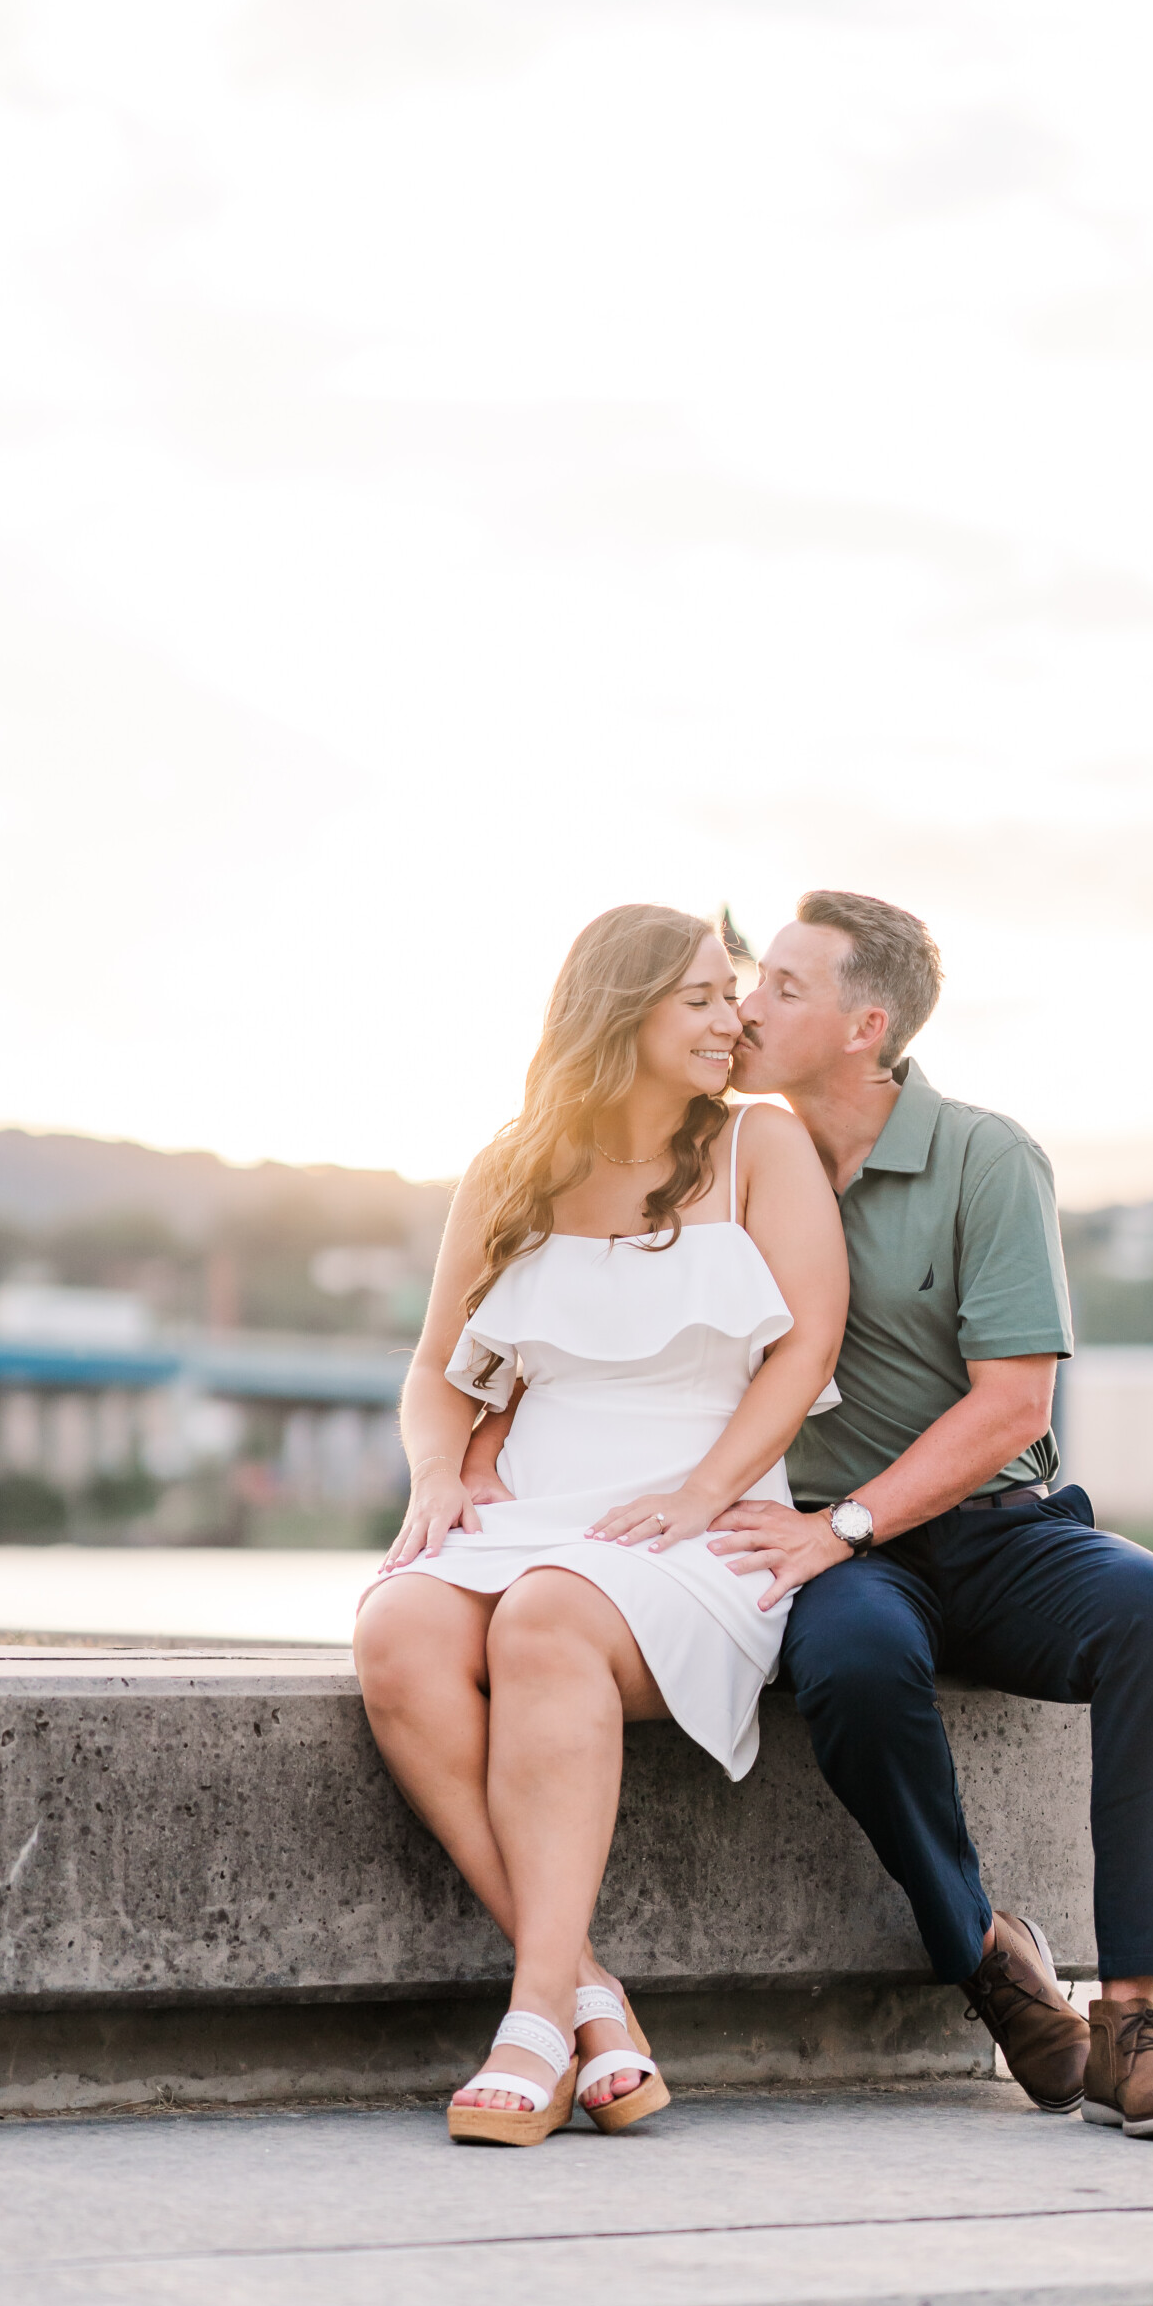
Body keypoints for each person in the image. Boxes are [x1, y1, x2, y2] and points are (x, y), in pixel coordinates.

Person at [709, 889, 1153, 2141]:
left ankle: (1132, 2015)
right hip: (829, 1545)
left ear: (863, 1023)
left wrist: (849, 1526)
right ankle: (993, 1956)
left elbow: (1013, 1404)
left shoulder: (986, 1157)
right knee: (854, 1660)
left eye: (782, 984)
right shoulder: (725, 1159)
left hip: (993, 1529)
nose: (746, 1000)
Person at [354, 904, 848, 2146]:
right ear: (618, 1012)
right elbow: (436, 1372)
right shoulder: (512, 1168)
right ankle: (587, 1990)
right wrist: (434, 1476)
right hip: (534, 1498)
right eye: (698, 997)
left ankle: (529, 2019)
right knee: (402, 1627)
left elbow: (807, 1346)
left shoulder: (759, 1148)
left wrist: (700, 1490)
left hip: (702, 1512)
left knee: (548, 1619)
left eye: (731, 994)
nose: (731, 1018)